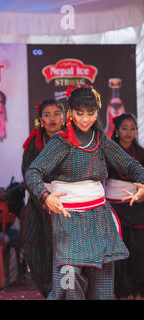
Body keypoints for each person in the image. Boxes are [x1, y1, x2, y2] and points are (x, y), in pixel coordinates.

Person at [25, 85, 144, 300]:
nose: (85, 119)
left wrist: (142, 183)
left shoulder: (102, 142)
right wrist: (45, 195)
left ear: (97, 113)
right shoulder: (60, 142)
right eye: (80, 113)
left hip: (100, 218)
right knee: (67, 275)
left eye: (90, 113)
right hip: (68, 217)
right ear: (71, 113)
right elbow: (33, 171)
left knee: (102, 279)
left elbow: (133, 166)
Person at [21, 99, 64, 298]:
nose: (52, 118)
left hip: (65, 203)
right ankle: (48, 290)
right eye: (47, 115)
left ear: (64, 117)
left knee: (63, 251)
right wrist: (44, 198)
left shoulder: (71, 141)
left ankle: (64, 291)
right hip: (39, 204)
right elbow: (27, 174)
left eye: (56, 113)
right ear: (40, 119)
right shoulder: (33, 144)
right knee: (35, 250)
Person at [106, 113, 144, 300]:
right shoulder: (108, 153)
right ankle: (121, 292)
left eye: (132, 128)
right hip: (114, 208)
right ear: (117, 131)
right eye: (124, 128)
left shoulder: (142, 154)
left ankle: (139, 291)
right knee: (118, 252)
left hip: (137, 208)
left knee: (138, 251)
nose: (129, 132)